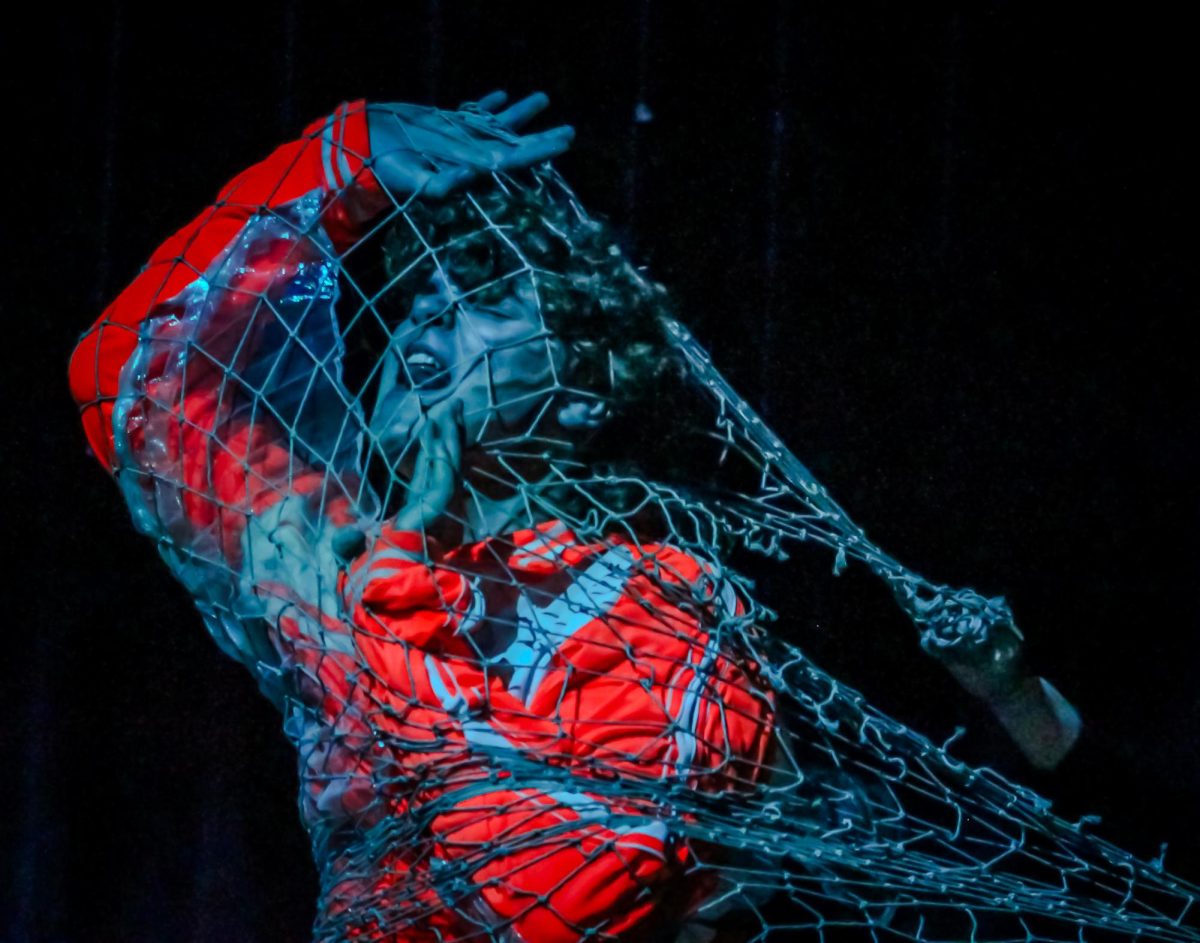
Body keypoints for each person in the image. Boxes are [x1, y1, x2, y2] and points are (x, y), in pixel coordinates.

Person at [69, 92, 776, 943]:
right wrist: (341, 162)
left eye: (485, 297)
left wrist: (389, 599)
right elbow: (132, 381)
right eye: (415, 298)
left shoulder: (659, 603)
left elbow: (563, 899)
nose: (425, 317)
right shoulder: (328, 538)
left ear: (591, 388)